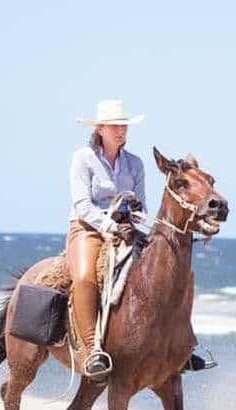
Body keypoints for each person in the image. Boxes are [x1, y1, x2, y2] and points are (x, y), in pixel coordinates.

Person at [69, 99, 212, 378]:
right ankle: (92, 349)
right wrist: (110, 226)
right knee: (85, 276)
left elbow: (141, 207)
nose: (120, 131)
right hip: (87, 229)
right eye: (114, 127)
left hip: (125, 229)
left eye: (123, 126)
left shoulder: (134, 163)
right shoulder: (83, 158)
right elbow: (82, 205)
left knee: (173, 275)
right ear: (100, 129)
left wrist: (133, 218)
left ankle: (180, 345)